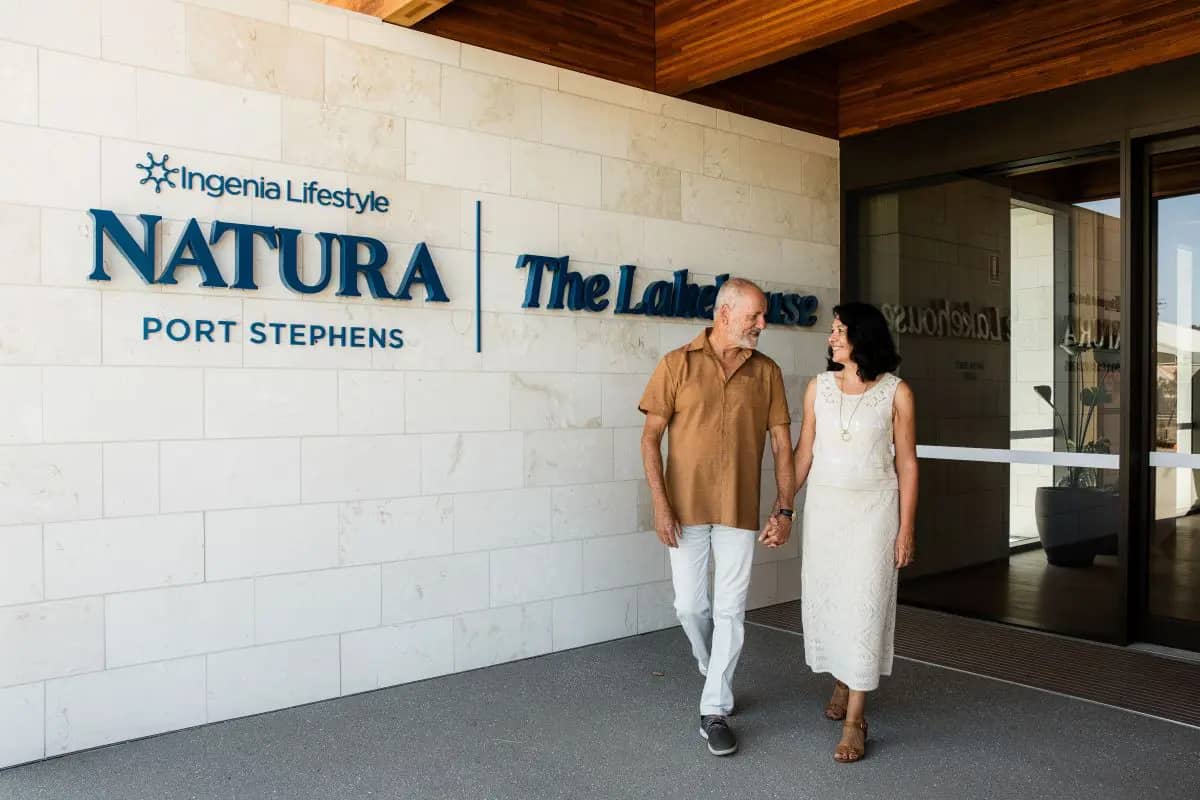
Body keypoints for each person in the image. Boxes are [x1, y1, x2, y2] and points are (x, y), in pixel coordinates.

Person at [638, 277, 795, 757]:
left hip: (739, 511)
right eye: (756, 316)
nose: (763, 324)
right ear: (725, 313)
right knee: (690, 606)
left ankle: (715, 709)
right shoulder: (675, 365)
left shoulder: (767, 372)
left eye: (763, 316)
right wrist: (661, 505)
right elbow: (649, 439)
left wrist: (785, 506)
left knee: (730, 609)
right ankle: (713, 666)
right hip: (684, 509)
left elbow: (782, 445)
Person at [789, 301, 918, 763]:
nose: (832, 337)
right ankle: (842, 679)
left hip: (874, 513)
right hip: (826, 512)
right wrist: (783, 505)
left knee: (865, 605)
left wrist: (906, 529)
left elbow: (906, 462)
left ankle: (855, 719)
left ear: (863, 336)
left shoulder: (896, 392)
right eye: (832, 330)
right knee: (832, 599)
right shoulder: (818, 387)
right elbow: (804, 451)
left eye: (840, 330)